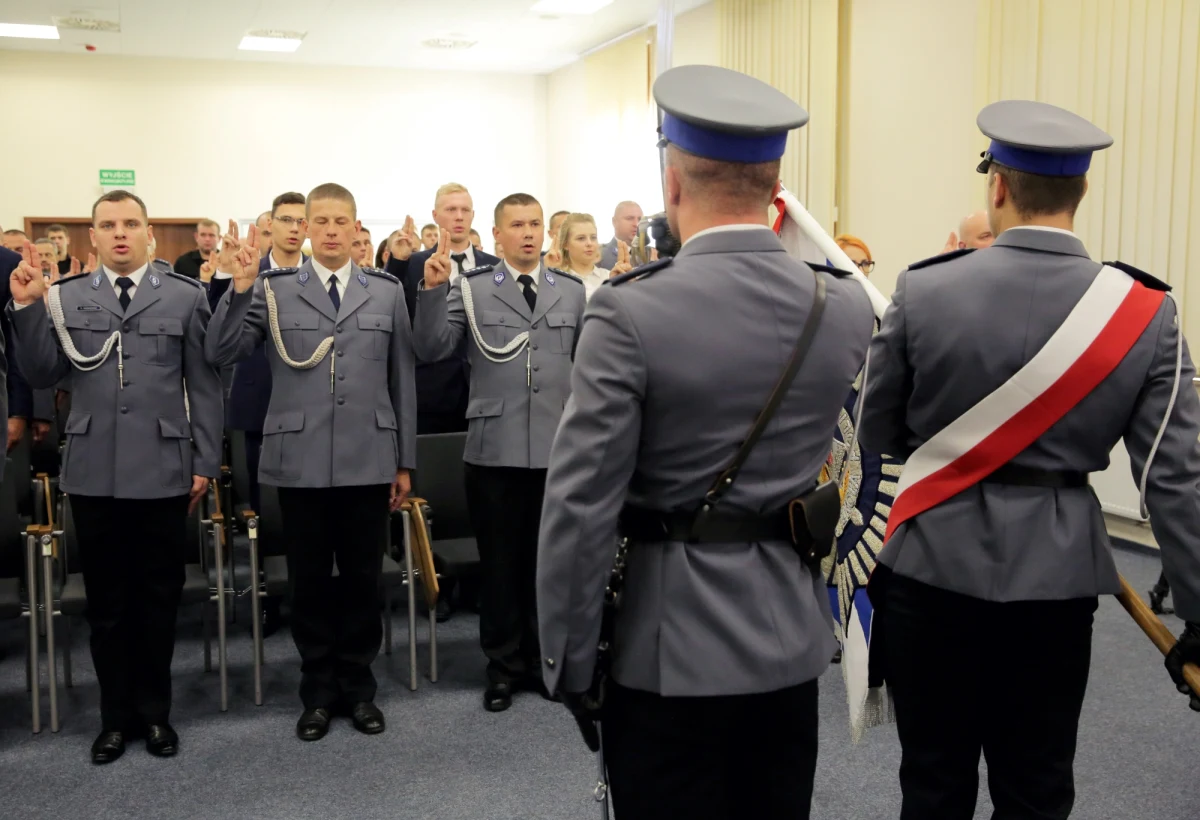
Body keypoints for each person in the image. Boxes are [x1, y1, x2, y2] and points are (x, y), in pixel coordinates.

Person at [536, 65, 873, 820]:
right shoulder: (842, 304)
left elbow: (581, 507)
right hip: (789, 637)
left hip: (668, 650)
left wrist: (569, 657)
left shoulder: (628, 314)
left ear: (672, 183)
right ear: (775, 182)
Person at [859, 100, 1200, 820]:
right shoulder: (1146, 311)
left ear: (997, 186)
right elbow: (1176, 482)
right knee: (1038, 785)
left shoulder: (924, 289)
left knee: (933, 782)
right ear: (1081, 192)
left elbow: (874, 433)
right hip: (1058, 578)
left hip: (931, 569)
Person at [8, 190, 222, 764]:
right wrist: (28, 308)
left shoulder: (183, 296)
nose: (120, 233)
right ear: (93, 238)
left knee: (157, 600)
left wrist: (205, 461)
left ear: (149, 233)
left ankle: (155, 716)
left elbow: (203, 386)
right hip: (94, 470)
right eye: (108, 225)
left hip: (164, 469)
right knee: (106, 605)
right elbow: (40, 371)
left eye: (131, 223)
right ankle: (114, 718)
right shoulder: (63, 297)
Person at [206, 183, 416, 742]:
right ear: (300, 228)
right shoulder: (272, 291)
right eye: (317, 220)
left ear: (354, 229)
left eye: (338, 221)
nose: (327, 230)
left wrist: (405, 462)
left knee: (362, 580)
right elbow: (222, 353)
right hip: (298, 459)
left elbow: (403, 381)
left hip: (369, 458)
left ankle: (358, 687)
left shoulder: (386, 291)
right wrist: (236, 288)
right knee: (308, 582)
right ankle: (318, 692)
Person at [414, 193, 586, 713]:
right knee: (501, 565)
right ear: (497, 235)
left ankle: (545, 663)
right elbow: (431, 349)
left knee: (550, 567)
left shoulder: (573, 292)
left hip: (558, 450)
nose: (530, 233)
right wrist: (429, 289)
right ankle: (504, 666)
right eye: (518, 225)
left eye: (536, 224)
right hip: (496, 450)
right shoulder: (470, 290)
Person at [402, 184, 500, 435]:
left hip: (486, 393)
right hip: (431, 390)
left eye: (465, 210)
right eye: (451, 209)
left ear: (473, 215)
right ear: (435, 215)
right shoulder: (413, 265)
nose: (459, 216)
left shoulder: (495, 266)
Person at [544, 213, 632, 301]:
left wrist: (625, 285)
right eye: (581, 238)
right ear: (565, 244)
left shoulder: (608, 276)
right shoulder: (557, 279)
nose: (589, 243)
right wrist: (549, 274)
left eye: (593, 237)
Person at [599, 200, 643, 269]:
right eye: (629, 218)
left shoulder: (650, 255)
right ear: (614, 222)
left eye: (640, 219)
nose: (636, 224)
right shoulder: (599, 256)